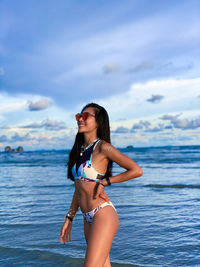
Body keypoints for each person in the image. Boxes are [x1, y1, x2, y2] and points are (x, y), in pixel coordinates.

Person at [60, 103, 143, 267]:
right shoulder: (80, 150)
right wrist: (69, 217)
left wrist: (106, 181)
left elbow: (136, 170)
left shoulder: (103, 148)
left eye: (85, 116)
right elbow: (78, 188)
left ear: (98, 122)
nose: (80, 119)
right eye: (79, 116)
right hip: (87, 217)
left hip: (102, 214)